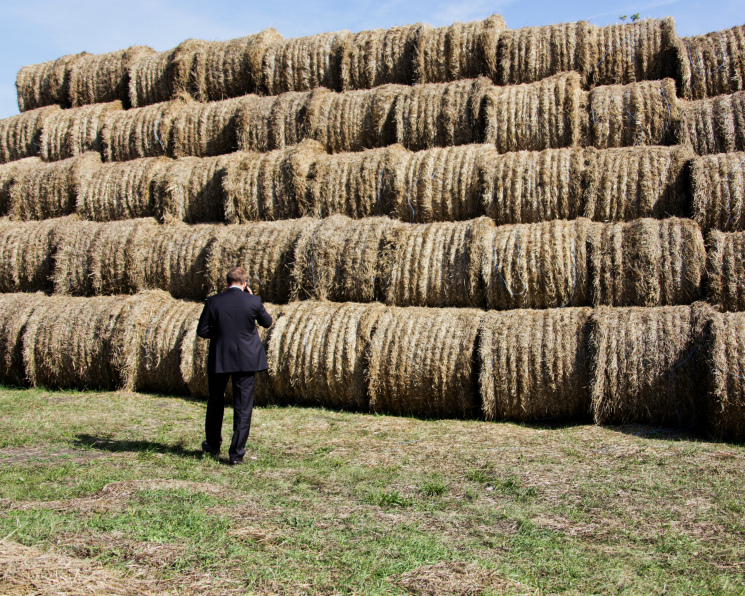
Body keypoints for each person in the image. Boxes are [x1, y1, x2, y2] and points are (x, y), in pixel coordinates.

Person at [197, 267, 273, 465]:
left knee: (215, 401)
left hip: (220, 358)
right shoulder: (253, 301)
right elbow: (267, 322)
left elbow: (203, 330)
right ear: (245, 283)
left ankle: (213, 445)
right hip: (246, 360)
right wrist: (253, 299)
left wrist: (221, 336)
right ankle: (236, 454)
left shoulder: (213, 301)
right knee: (243, 406)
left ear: (226, 283)